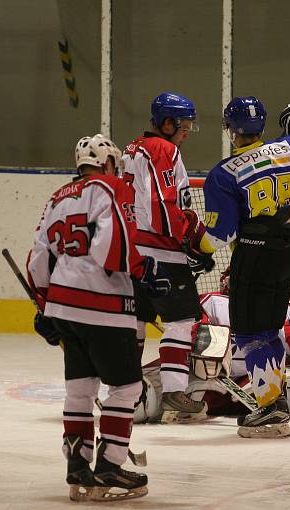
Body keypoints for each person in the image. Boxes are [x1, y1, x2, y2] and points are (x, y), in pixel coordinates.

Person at [27, 134, 171, 502]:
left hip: (64, 304)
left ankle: (77, 465)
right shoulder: (110, 187)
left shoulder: (57, 197)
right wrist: (143, 272)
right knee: (126, 388)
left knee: (80, 387)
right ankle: (109, 465)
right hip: (104, 304)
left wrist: (45, 305)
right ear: (108, 163)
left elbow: (38, 257)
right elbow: (114, 246)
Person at [192, 97, 290, 438]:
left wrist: (196, 250)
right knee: (269, 327)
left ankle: (270, 409)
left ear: (231, 130)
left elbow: (221, 233)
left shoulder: (223, 174)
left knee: (250, 333)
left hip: (253, 255)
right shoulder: (287, 148)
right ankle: (274, 401)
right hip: (287, 252)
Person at [134, 281, 290, 424]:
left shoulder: (279, 307)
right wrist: (203, 344)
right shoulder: (211, 302)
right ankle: (140, 395)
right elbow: (191, 327)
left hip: (248, 378)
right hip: (203, 379)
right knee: (157, 395)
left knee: (282, 384)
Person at [119, 92, 212, 423]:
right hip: (160, 252)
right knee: (182, 321)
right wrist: (187, 240)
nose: (188, 131)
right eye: (184, 124)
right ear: (168, 123)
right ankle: (174, 391)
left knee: (135, 323)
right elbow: (163, 205)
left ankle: (125, 392)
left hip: (133, 252)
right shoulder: (163, 150)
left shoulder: (132, 149)